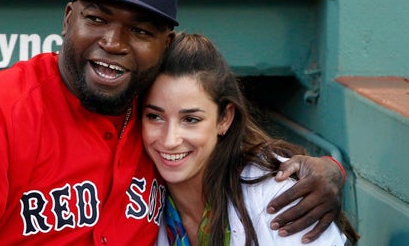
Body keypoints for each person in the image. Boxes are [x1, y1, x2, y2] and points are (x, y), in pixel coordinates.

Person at [0, 0, 346, 245]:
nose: (113, 42)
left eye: (140, 30)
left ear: (165, 44)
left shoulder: (154, 116)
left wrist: (329, 170)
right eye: (97, 18)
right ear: (68, 17)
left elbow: (232, 146)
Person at [141, 32, 359, 245]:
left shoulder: (278, 195)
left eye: (190, 119)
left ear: (224, 118)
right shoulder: (139, 198)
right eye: (155, 117)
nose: (170, 140)